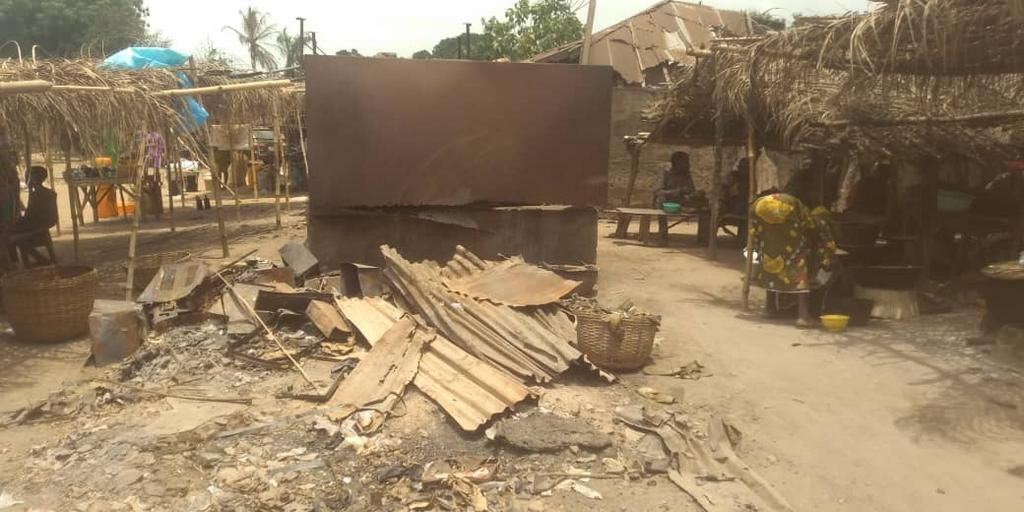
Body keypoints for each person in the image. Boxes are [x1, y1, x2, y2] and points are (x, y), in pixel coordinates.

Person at [750, 190, 838, 327]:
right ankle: (803, 317)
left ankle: (770, 309)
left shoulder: (763, 201)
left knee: (772, 264)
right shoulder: (803, 209)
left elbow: (754, 230)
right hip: (790, 241)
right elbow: (812, 230)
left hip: (767, 234)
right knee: (798, 269)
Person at [9, 166, 58, 267]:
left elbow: (30, 215)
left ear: (34, 178)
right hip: (44, 223)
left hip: (37, 225)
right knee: (12, 231)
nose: (27, 178)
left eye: (29, 176)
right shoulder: (50, 192)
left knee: (10, 235)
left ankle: (16, 263)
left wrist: (17, 221)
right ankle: (42, 260)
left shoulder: (36, 195)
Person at [654, 151, 702, 244]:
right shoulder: (665, 173)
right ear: (675, 163)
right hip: (667, 202)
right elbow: (657, 191)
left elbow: (691, 189)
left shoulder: (686, 174)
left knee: (705, 204)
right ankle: (663, 235)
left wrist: (695, 194)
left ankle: (703, 238)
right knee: (660, 200)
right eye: (685, 162)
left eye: (688, 162)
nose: (688, 165)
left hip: (682, 201)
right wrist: (677, 191)